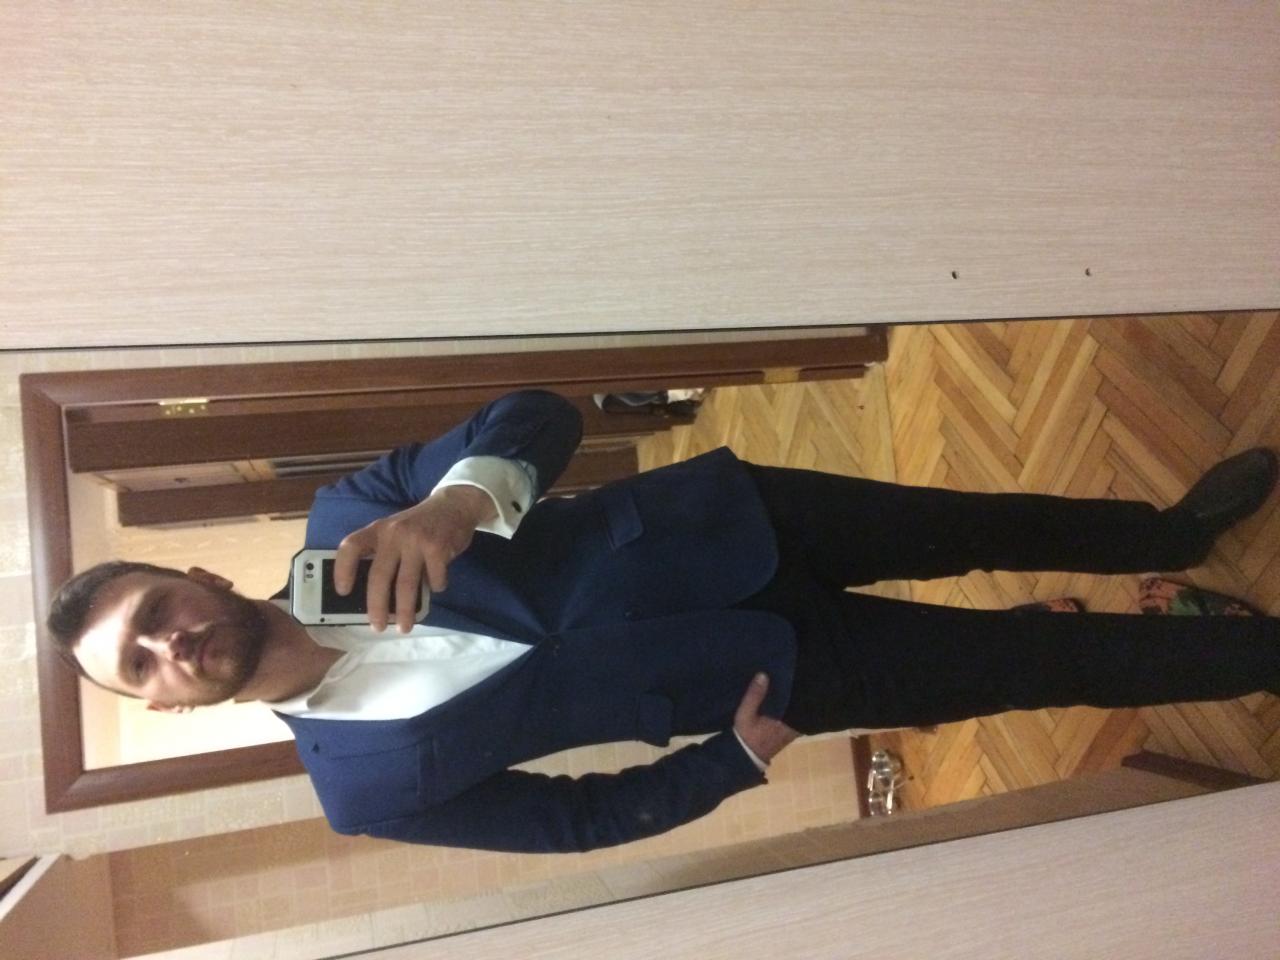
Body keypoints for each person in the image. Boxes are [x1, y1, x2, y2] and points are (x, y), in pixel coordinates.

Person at [48, 390, 1280, 853]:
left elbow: (538, 414)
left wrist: (455, 502)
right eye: (139, 665)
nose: (168, 644)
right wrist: (725, 765)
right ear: (162, 706)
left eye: (155, 612)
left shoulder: (351, 517)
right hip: (755, 682)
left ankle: (1166, 537)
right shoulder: (361, 792)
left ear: (190, 576)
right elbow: (571, 822)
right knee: (1036, 667)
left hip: (731, 521)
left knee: (982, 522)